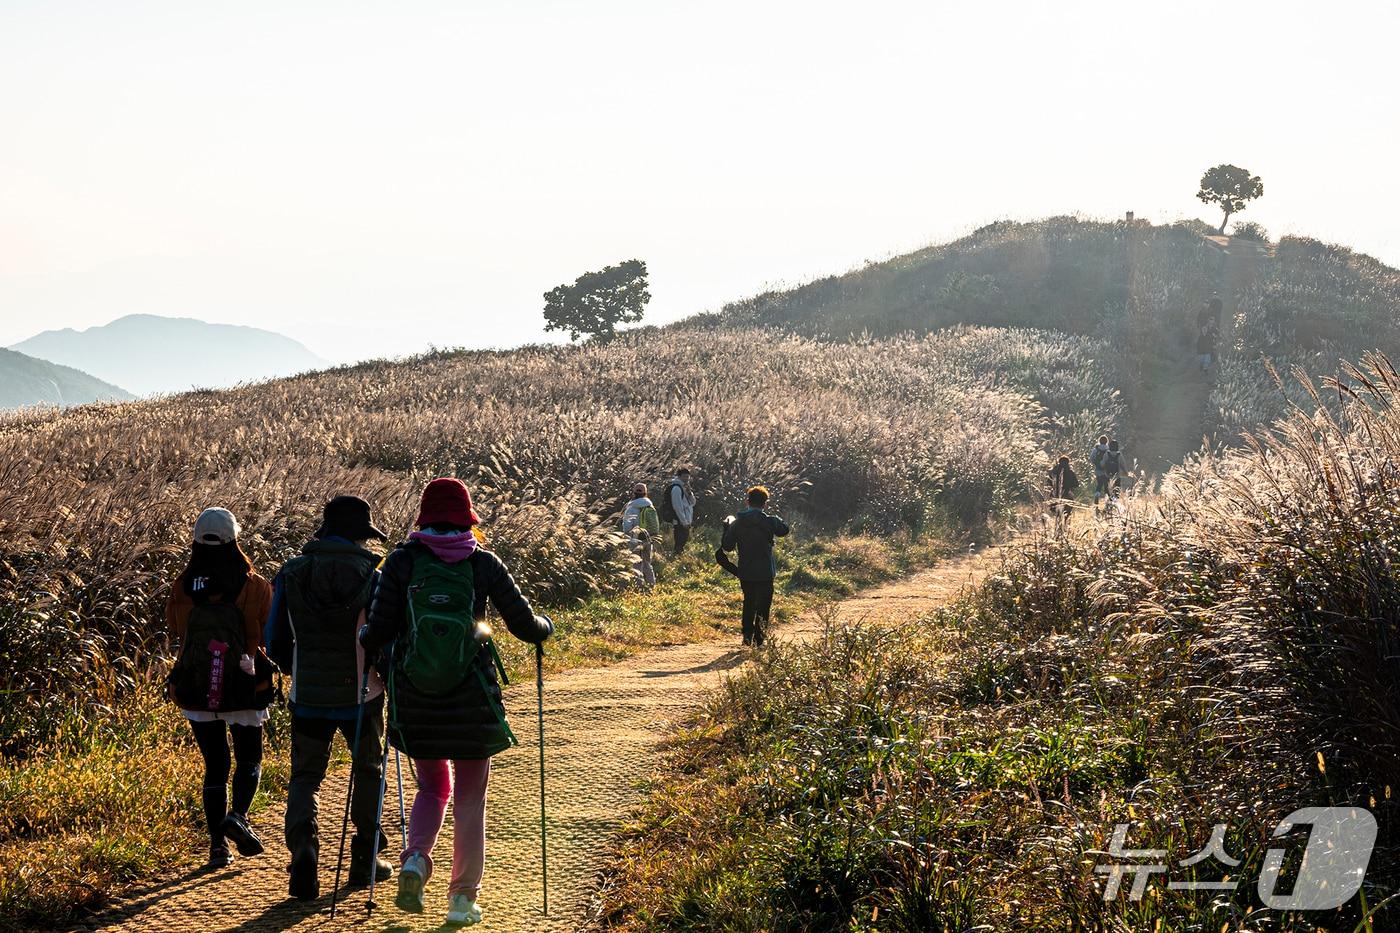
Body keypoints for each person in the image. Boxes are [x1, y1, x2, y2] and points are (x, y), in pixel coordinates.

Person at [360, 477, 553, 928]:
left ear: (423, 517)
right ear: (467, 517)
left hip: (416, 701)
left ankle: (415, 861)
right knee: (469, 797)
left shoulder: (402, 563)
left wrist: (369, 642)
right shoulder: (483, 562)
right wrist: (544, 625)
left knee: (432, 788)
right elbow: (525, 625)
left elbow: (379, 629)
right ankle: (462, 899)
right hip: (472, 701)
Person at [264, 495, 393, 900]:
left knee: (306, 776)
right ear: (360, 535)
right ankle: (363, 859)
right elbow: (384, 636)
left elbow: (272, 638)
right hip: (362, 694)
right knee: (369, 771)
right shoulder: (373, 575)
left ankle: (304, 849)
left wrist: (292, 667)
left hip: (307, 696)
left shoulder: (291, 572)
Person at [164, 507, 274, 869]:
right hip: (245, 683)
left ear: (195, 540)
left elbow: (177, 631)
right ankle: (238, 816)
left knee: (215, 764)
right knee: (249, 758)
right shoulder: (254, 584)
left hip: (196, 685)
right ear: (235, 539)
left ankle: (217, 847)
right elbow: (266, 627)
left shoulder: (182, 585)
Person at [720, 486, 790, 648]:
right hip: (765, 571)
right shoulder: (769, 521)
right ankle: (759, 639)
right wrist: (775, 519)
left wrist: (726, 530)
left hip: (746, 570)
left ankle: (746, 636)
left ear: (747, 502)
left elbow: (727, 547)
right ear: (764, 504)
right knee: (764, 605)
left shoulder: (737, 524)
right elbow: (784, 530)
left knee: (749, 602)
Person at [621, 483, 661, 588]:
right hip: (648, 538)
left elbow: (627, 527)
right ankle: (651, 585)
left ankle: (639, 586)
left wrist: (627, 536)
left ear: (633, 493)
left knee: (636, 564)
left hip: (635, 539)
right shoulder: (650, 505)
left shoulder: (631, 507)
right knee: (647, 563)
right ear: (645, 493)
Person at [664, 468, 696, 555]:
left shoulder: (685, 488)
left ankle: (678, 556)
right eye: (685, 476)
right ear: (679, 476)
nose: (687, 479)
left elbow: (692, 503)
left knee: (683, 540)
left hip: (686, 518)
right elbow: (677, 507)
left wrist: (690, 493)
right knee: (679, 540)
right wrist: (683, 521)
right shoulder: (676, 489)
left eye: (688, 477)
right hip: (679, 520)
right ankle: (676, 557)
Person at [1046, 455, 1080, 532]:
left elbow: (1048, 482)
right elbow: (1076, 484)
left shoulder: (1054, 471)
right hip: (1067, 494)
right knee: (1067, 513)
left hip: (1055, 495)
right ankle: (1065, 528)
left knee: (1058, 514)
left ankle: (1057, 528)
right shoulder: (1070, 472)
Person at [1100, 440, 1127, 505]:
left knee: (1108, 491)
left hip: (1107, 476)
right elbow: (1123, 464)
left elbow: (1102, 464)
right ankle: (1114, 504)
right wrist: (1126, 472)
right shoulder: (1119, 454)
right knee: (1116, 492)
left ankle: (1108, 505)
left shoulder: (1107, 454)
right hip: (1117, 476)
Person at [1090, 434, 1111, 506]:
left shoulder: (1095, 449)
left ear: (1099, 441)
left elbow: (1092, 458)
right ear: (1107, 441)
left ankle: (1097, 495)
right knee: (1107, 485)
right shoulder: (1109, 449)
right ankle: (1108, 500)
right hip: (1107, 470)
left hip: (1098, 470)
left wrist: (1097, 464)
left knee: (1099, 484)